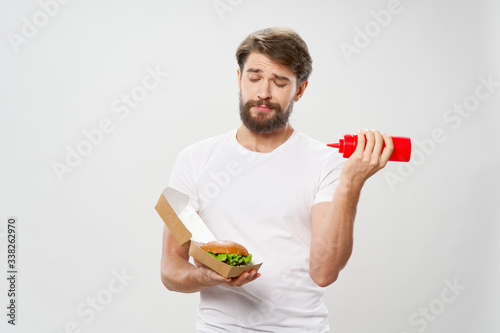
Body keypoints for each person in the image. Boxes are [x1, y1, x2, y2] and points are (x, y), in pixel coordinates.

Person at [160, 27, 394, 332]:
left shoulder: (327, 162)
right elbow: (170, 268)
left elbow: (324, 272)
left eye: (280, 82)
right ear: (239, 79)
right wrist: (208, 276)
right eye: (254, 78)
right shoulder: (191, 159)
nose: (263, 93)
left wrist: (351, 183)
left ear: (300, 90)